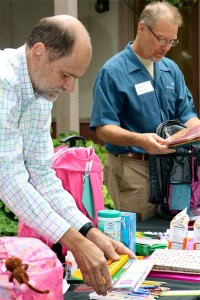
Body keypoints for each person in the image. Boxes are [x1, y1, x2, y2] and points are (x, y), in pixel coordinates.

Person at [0, 15, 135, 296]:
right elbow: (9, 179)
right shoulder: (4, 82)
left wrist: (89, 231)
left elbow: (41, 175)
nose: (70, 87)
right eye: (66, 75)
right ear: (39, 52)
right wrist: (75, 241)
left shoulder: (39, 90)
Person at [90, 1, 200, 222]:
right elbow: (103, 128)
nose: (166, 47)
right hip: (133, 169)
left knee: (174, 233)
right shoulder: (113, 71)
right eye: (161, 39)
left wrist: (195, 131)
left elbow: (187, 114)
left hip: (173, 172)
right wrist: (141, 140)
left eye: (171, 41)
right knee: (140, 237)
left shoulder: (171, 69)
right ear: (141, 28)